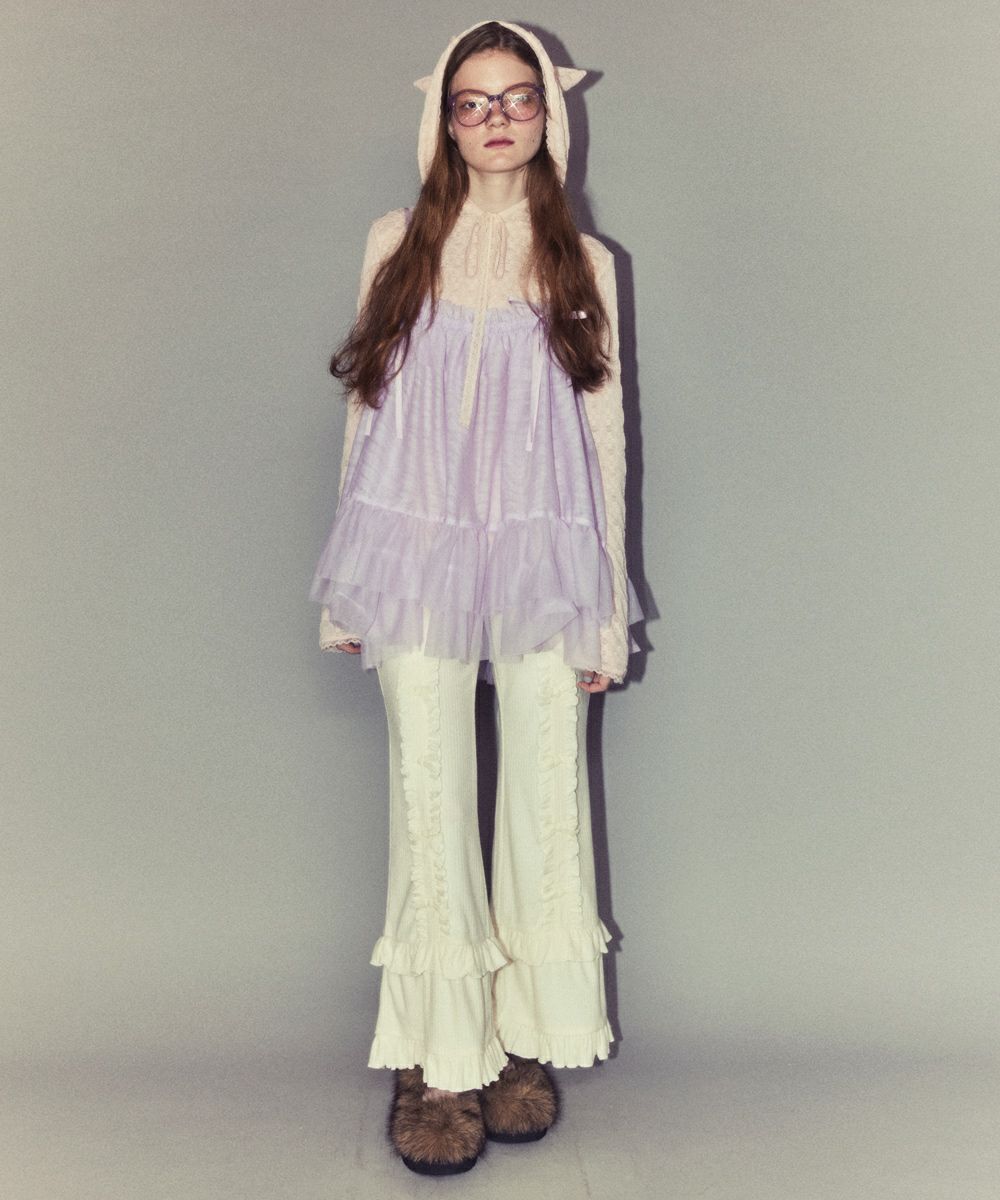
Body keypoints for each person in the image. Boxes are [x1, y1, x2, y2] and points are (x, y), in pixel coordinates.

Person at [309, 19, 642, 1176]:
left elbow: (604, 437)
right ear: (444, 122)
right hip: (414, 554)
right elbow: (365, 413)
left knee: (545, 791)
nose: (496, 119)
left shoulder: (584, 262)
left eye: (516, 99)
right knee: (429, 791)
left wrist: (605, 610)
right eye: (472, 101)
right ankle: (437, 1060)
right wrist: (347, 584)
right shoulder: (396, 243)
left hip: (545, 558)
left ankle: (523, 1043)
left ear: (549, 114)